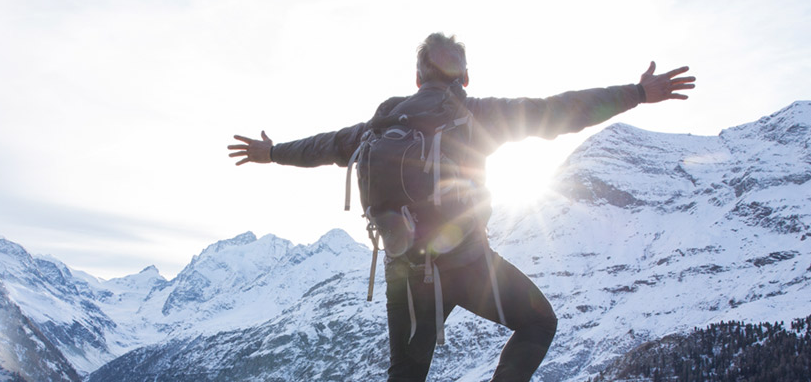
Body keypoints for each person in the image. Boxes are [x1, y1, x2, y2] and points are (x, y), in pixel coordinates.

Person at [227, 33, 695, 382]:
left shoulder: (379, 124)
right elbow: (561, 110)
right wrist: (636, 93)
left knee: (405, 376)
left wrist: (271, 152)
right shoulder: (478, 115)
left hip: (405, 273)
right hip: (470, 266)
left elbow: (322, 146)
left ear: (416, 79)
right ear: (465, 79)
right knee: (537, 322)